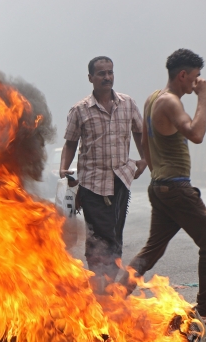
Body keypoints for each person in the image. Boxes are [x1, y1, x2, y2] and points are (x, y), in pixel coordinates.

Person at [120, 49, 206, 319]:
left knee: (152, 249)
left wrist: (158, 176)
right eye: (195, 78)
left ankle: (114, 295)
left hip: (161, 185)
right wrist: (204, 97)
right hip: (176, 187)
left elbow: (144, 143)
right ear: (183, 75)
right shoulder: (171, 102)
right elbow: (197, 134)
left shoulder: (153, 98)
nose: (197, 83)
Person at [59, 56, 147, 284]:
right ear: (91, 78)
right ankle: (100, 281)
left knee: (115, 234)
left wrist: (145, 159)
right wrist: (64, 169)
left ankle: (106, 280)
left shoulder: (127, 103)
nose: (107, 77)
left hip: (121, 178)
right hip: (92, 183)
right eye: (101, 73)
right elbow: (70, 142)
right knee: (100, 234)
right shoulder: (80, 110)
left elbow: (140, 131)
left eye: (110, 72)